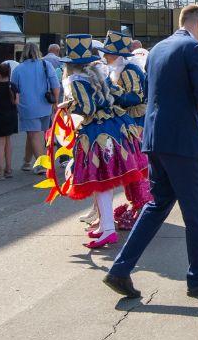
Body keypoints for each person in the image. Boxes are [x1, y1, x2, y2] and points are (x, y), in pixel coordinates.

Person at [104, 5, 198, 299]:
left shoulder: (158, 49)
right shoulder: (194, 48)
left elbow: (153, 91)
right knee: (197, 209)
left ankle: (120, 269)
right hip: (182, 140)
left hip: (155, 139)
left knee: (157, 205)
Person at [50, 34, 148, 250]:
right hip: (116, 126)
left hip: (97, 133)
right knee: (106, 181)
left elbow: (88, 109)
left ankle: (109, 230)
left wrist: (68, 106)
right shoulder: (99, 72)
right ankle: (105, 225)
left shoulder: (75, 81)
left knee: (101, 181)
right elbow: (116, 94)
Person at [99, 31, 154, 232]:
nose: (105, 57)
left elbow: (136, 97)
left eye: (108, 53)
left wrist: (111, 93)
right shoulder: (118, 69)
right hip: (129, 121)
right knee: (131, 165)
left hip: (136, 121)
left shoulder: (129, 70)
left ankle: (143, 205)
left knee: (137, 164)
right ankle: (138, 204)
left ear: (117, 55)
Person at [12, 42, 58, 175]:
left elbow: (14, 90)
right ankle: (27, 162)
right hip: (45, 105)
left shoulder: (18, 69)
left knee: (33, 134)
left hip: (27, 107)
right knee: (34, 134)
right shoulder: (46, 65)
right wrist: (55, 102)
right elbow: (55, 85)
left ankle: (42, 165)